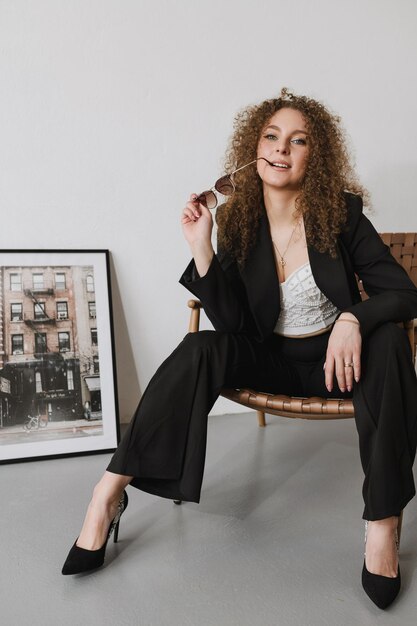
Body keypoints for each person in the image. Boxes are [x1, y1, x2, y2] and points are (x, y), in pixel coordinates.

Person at [62, 88, 417, 610]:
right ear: (255, 148)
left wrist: (352, 317)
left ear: (314, 158)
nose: (281, 148)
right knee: (202, 346)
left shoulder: (340, 215)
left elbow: (405, 293)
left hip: (337, 366)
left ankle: (382, 525)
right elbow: (231, 324)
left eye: (298, 141)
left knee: (387, 339)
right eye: (272, 137)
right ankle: (108, 494)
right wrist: (202, 246)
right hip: (269, 359)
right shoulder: (240, 222)